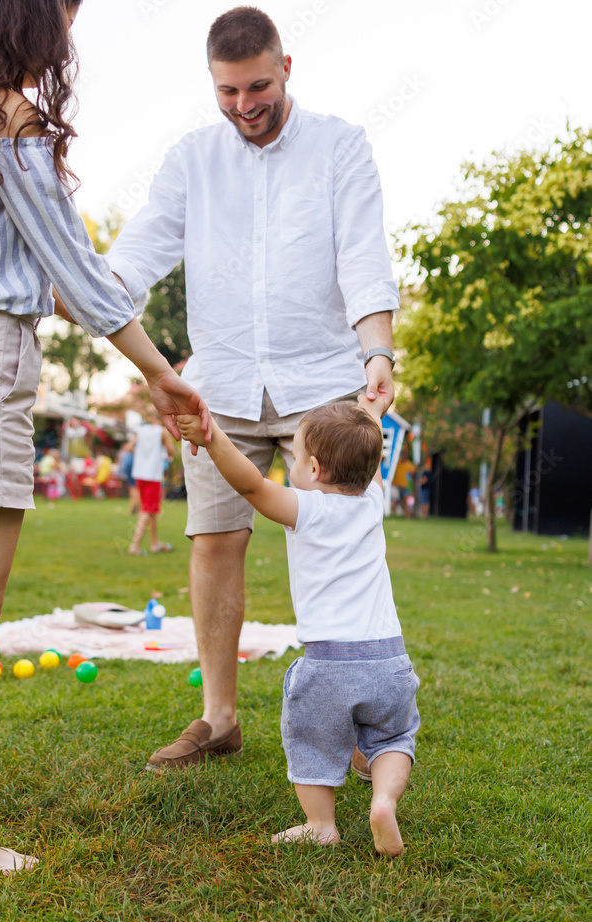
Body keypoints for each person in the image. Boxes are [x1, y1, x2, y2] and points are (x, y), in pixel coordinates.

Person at [0, 0, 208, 876]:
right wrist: (161, 371)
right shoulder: (4, 113)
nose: (69, 36)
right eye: (67, 14)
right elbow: (76, 270)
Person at [102, 6, 400, 771]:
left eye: (257, 86)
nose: (243, 105)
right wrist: (96, 286)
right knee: (214, 540)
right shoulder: (192, 158)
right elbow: (140, 249)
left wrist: (378, 353)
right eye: (227, 92)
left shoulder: (341, 146)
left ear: (286, 68)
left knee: (342, 545)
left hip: (321, 382)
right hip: (221, 383)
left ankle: (362, 726)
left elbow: (364, 256)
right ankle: (219, 718)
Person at [176, 396, 420, 855]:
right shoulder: (374, 501)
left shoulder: (305, 509)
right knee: (393, 738)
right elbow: (366, 450)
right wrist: (372, 406)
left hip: (328, 665)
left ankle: (320, 824)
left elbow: (249, 484)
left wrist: (212, 437)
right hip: (390, 660)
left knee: (310, 743)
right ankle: (384, 800)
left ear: (311, 468)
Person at [128, 407, 175, 555]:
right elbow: (171, 451)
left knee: (151, 509)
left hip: (139, 474)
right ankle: (134, 546)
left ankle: (155, 543)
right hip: (153, 474)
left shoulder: (141, 431)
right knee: (147, 510)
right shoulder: (162, 432)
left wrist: (142, 453)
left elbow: (128, 448)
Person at [392, 447, 415, 518]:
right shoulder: (397, 463)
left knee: (405, 501)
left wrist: (411, 487)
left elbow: (412, 477)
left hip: (405, 486)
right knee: (395, 501)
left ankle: (407, 516)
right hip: (396, 484)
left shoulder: (409, 465)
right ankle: (391, 513)